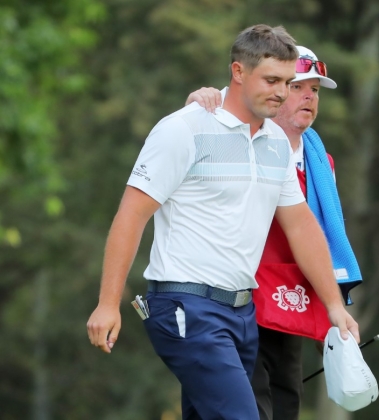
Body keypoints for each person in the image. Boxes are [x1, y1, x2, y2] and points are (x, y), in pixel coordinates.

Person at [86, 26, 360, 420]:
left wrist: (334, 306)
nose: (282, 92)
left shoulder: (277, 143)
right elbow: (131, 214)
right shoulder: (185, 128)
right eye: (272, 80)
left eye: (287, 81)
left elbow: (301, 225)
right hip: (187, 308)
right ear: (238, 72)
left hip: (242, 315)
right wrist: (108, 304)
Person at [186, 45, 363, 420]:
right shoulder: (242, 142)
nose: (309, 97)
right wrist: (201, 103)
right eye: (299, 87)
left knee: (286, 406)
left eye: (315, 90)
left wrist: (329, 309)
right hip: (235, 302)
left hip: (292, 303)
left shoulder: (320, 161)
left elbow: (317, 240)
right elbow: (207, 130)